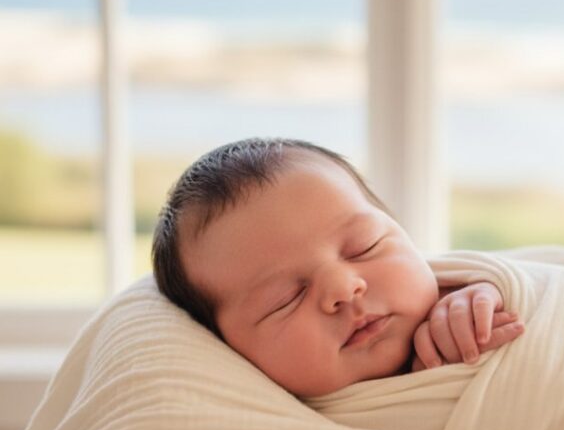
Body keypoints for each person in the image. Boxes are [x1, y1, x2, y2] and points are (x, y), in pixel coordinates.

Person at [152, 137, 525, 398]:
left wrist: (478, 297)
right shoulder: (278, 426)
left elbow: (537, 294)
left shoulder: (471, 297)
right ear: (224, 347)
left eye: (365, 246)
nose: (344, 289)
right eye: (286, 299)